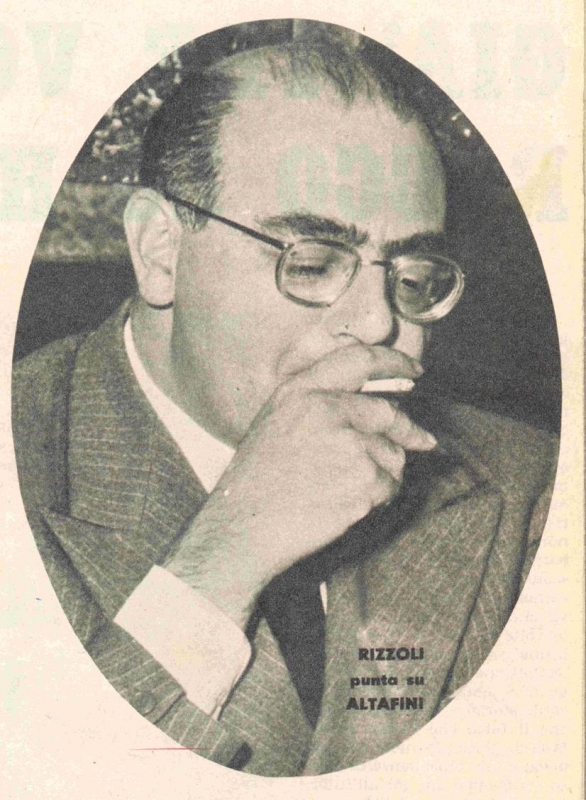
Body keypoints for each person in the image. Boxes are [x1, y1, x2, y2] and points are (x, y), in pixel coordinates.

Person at [12, 38, 558, 777]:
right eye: (313, 262)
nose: (377, 322)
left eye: (412, 275)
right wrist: (223, 560)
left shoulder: (528, 490)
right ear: (161, 250)